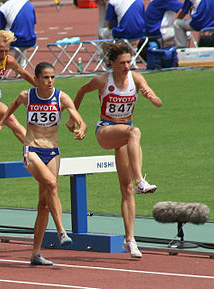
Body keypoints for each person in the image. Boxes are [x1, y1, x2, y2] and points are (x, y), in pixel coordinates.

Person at [64, 41, 162, 258]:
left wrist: (150, 96)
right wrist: (74, 117)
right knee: (134, 132)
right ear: (112, 63)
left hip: (125, 135)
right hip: (106, 131)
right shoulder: (102, 81)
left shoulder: (136, 79)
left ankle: (130, 240)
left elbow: (158, 102)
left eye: (130, 61)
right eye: (122, 63)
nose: (127, 66)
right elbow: (80, 90)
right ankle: (140, 181)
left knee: (126, 189)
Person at [0, 62, 86, 265]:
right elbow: (12, 106)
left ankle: (35, 253)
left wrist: (81, 127)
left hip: (52, 152)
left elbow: (78, 116)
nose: (50, 81)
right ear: (37, 79)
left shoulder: (61, 97)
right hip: (31, 150)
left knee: (44, 205)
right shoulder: (28, 96)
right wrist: (0, 125)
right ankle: (62, 231)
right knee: (52, 184)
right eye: (45, 77)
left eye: (53, 77)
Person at [0, 0, 37, 67]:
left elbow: (1, 31)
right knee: (21, 43)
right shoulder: (29, 4)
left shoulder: (3, 8)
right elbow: (32, 24)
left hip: (15, 41)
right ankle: (20, 67)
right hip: (31, 39)